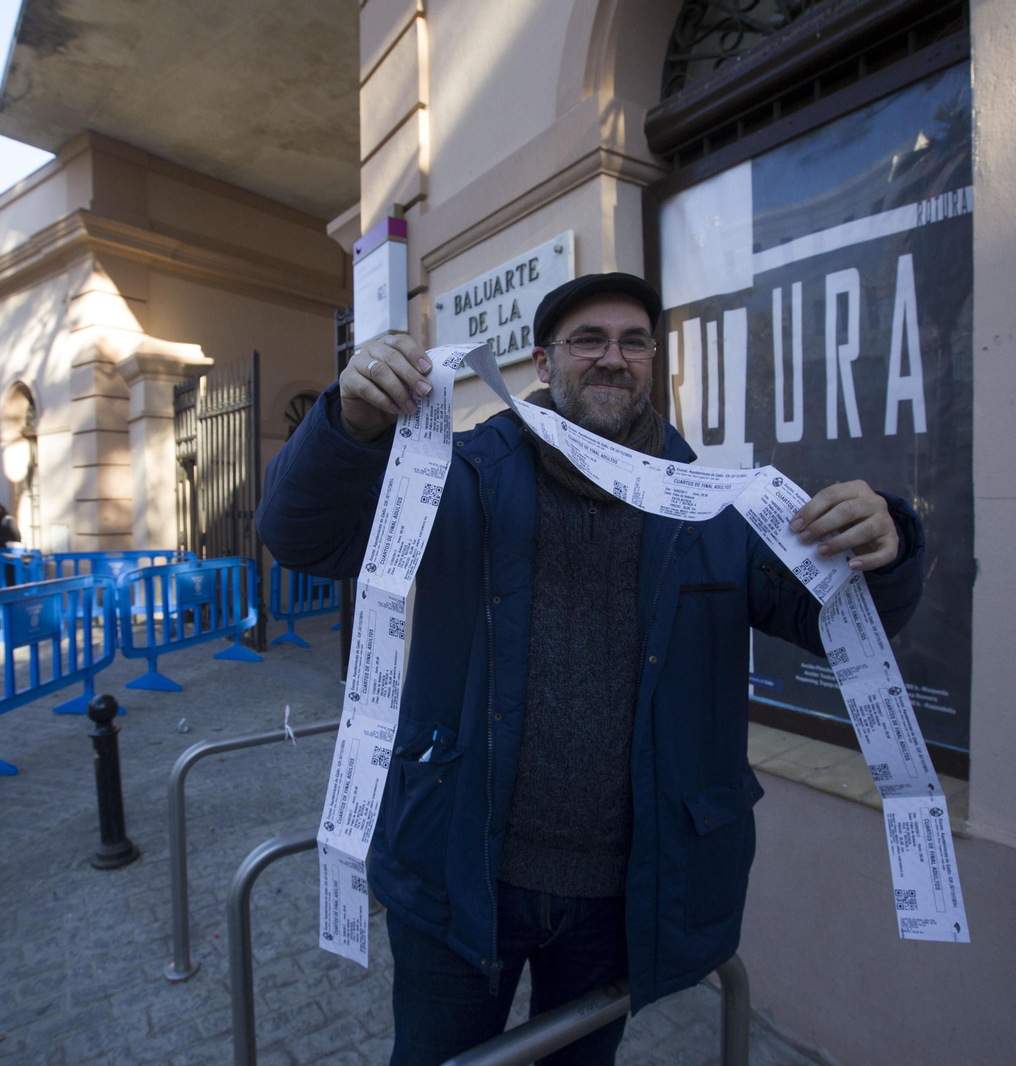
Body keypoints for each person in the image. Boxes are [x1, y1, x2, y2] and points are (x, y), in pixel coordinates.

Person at [256, 273, 927, 1066]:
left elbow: (841, 619)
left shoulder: (714, 506)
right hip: (457, 875)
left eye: (634, 342)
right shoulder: (457, 473)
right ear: (544, 364)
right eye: (588, 340)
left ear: (652, 364)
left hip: (624, 895)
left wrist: (885, 546)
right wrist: (349, 424)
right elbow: (300, 536)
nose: (614, 357)